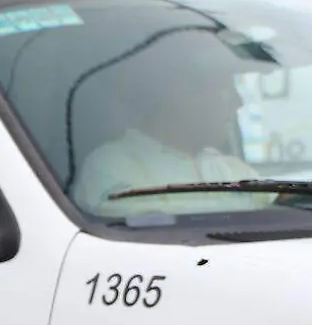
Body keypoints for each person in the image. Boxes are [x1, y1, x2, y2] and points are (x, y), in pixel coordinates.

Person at [71, 28, 274, 218]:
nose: (238, 103)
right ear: (177, 95)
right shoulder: (112, 166)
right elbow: (154, 231)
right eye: (225, 90)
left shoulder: (235, 171)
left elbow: (281, 209)